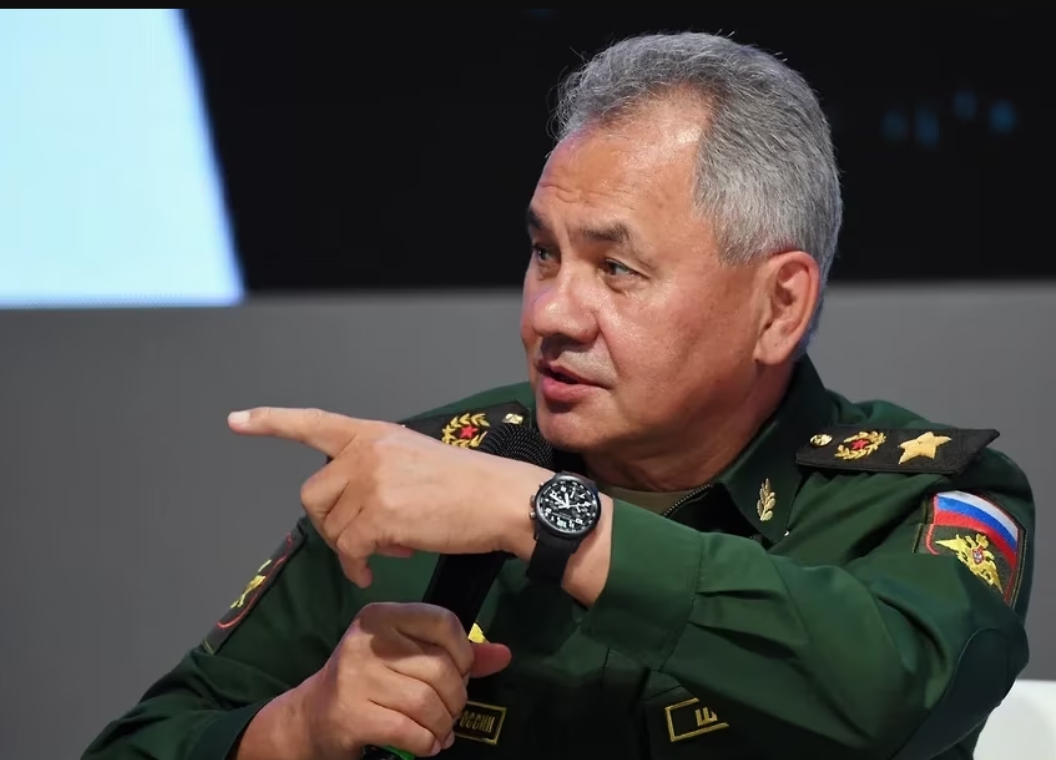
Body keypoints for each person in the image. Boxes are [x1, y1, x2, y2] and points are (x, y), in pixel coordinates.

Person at [81, 31, 1033, 760]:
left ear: (777, 306)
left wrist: (541, 517)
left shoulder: (919, 494)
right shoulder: (432, 475)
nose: (550, 313)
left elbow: (904, 692)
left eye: (616, 268)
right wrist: (296, 728)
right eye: (544, 253)